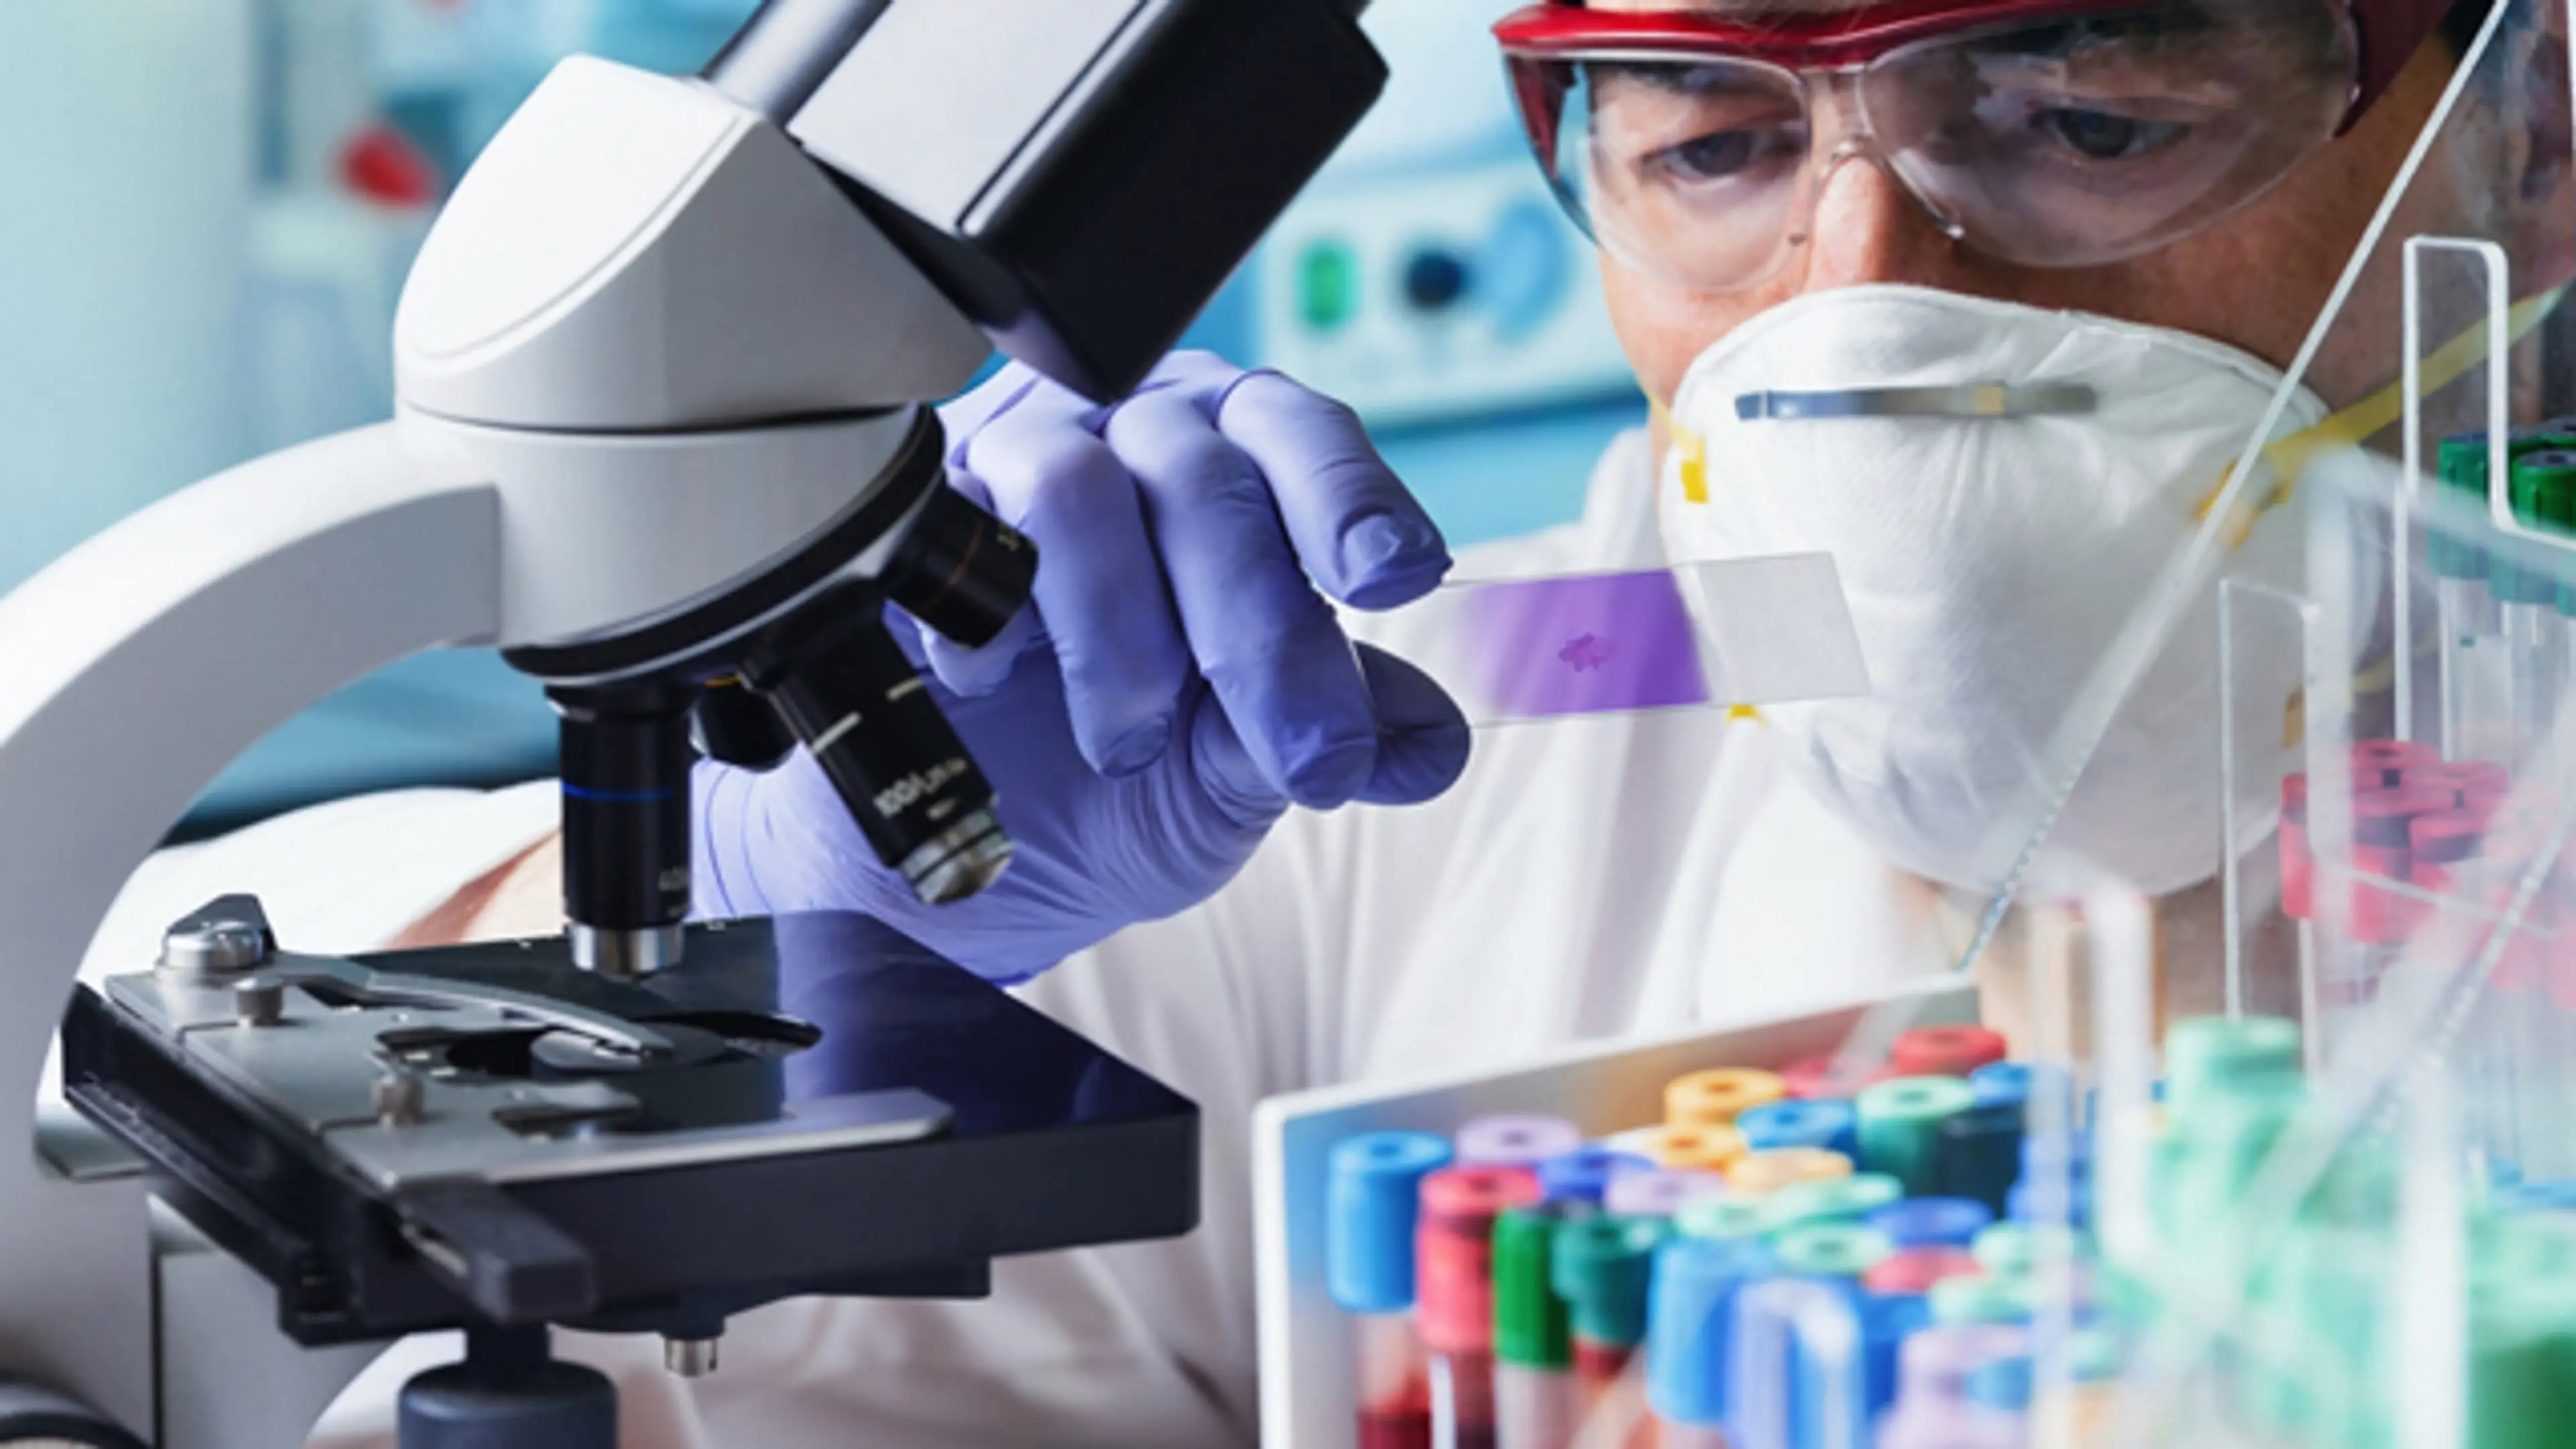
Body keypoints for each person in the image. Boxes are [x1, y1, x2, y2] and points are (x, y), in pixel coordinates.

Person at [80, 0, 2569, 1443]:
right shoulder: (1415, 736)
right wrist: (746, 941)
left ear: (2526, 139)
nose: (1862, 299)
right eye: (1715, 143)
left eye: (2088, 119)